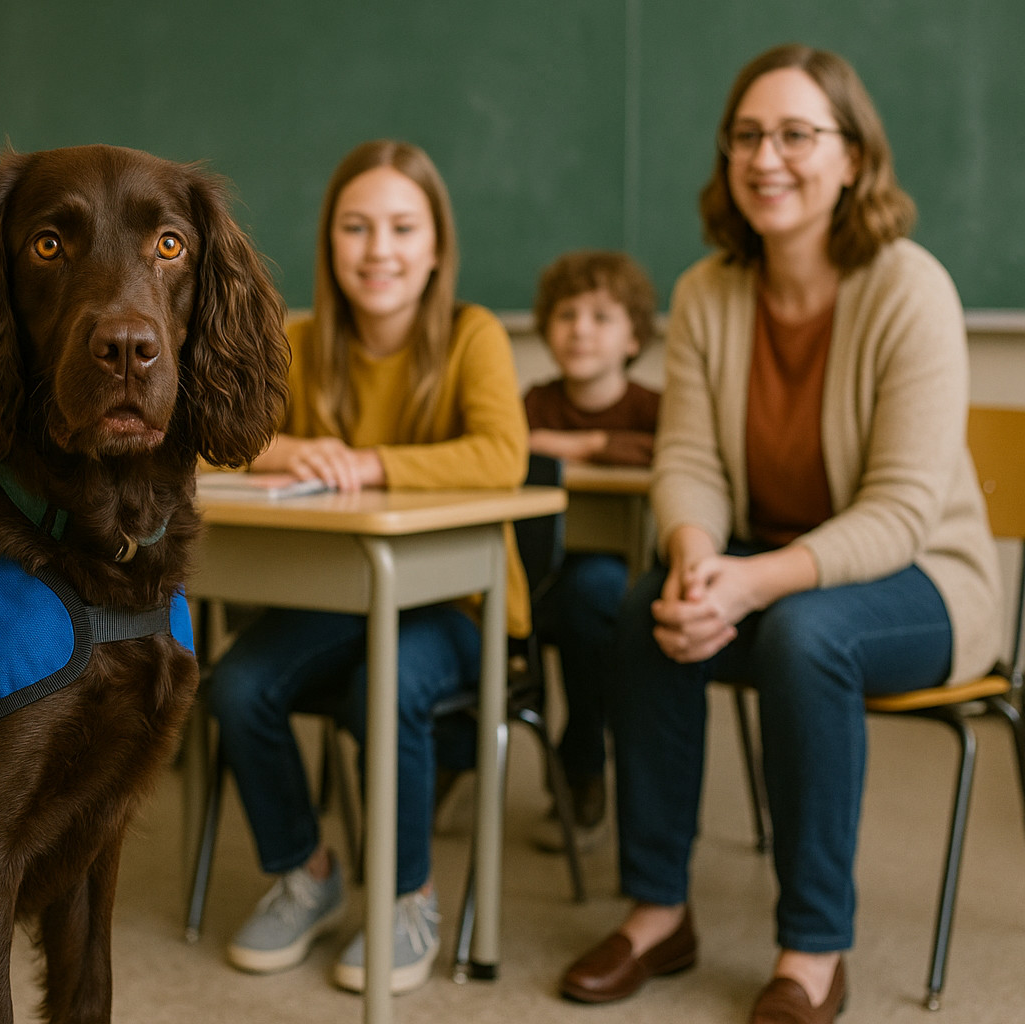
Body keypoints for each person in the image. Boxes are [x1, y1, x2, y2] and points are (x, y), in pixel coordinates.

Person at [557, 45, 999, 1024]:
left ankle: (812, 947)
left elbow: (899, 511)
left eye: (798, 134)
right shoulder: (712, 292)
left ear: (853, 157)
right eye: (748, 135)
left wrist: (754, 587)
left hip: (923, 577)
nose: (769, 157)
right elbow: (690, 463)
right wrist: (696, 560)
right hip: (773, 559)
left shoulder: (910, 289)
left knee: (810, 634)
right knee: (646, 610)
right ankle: (658, 911)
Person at [207, 140, 529, 995]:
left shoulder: (472, 336)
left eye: (400, 228)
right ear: (329, 243)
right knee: (237, 683)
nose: (378, 249)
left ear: (435, 248)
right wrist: (296, 450)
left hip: (459, 607)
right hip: (342, 597)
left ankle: (405, 896)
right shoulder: (301, 340)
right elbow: (225, 445)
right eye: (356, 227)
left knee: (384, 687)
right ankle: (306, 871)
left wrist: (371, 462)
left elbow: (503, 455)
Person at [522, 249, 659, 854]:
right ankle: (457, 754)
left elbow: (662, 448)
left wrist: (583, 443)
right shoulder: (534, 401)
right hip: (533, 571)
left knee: (594, 593)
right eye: (567, 314)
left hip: (612, 586)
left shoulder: (653, 407)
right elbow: (510, 444)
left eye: (602, 317)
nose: (580, 329)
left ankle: (583, 765)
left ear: (635, 337)